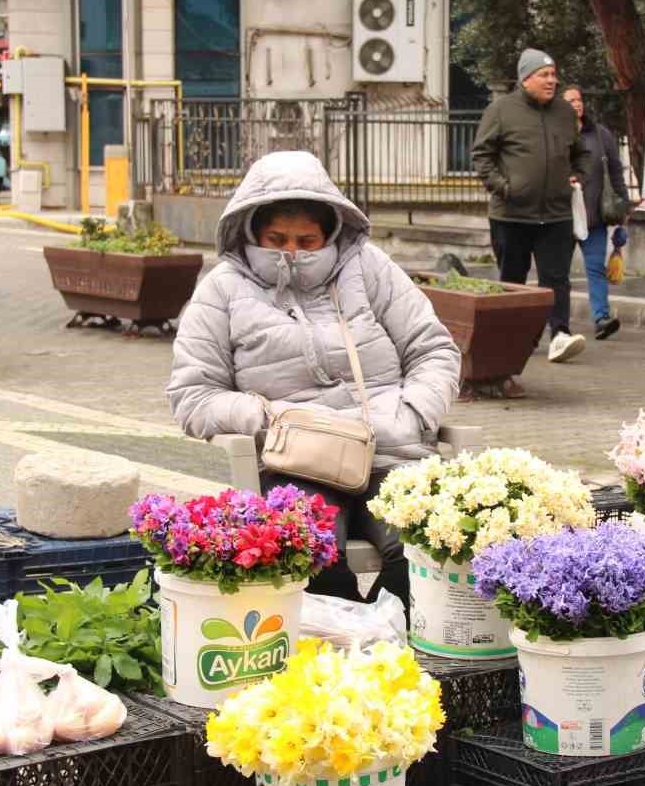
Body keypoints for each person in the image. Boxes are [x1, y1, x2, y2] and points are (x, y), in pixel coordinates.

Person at [167, 150, 462, 611]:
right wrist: (270, 418)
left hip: (391, 450)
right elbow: (193, 396)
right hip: (296, 461)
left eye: (307, 240)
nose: (292, 251)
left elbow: (433, 349)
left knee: (425, 546)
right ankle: (339, 657)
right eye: (276, 238)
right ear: (250, 231)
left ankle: (399, 654)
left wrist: (412, 413)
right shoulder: (222, 288)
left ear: (331, 233)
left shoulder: (368, 267)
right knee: (310, 550)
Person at [471, 48, 592, 384]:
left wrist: (577, 177)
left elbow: (583, 153)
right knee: (513, 279)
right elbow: (482, 155)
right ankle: (509, 340)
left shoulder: (566, 113)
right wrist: (504, 187)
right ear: (526, 78)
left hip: (556, 214)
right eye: (544, 74)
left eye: (554, 74)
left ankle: (560, 335)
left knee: (557, 279)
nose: (552, 80)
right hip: (511, 214)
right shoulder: (500, 110)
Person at [562, 86, 630, 340]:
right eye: (570, 100)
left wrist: (623, 205)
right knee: (558, 275)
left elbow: (615, 172)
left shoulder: (601, 136)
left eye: (579, 99)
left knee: (595, 269)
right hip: (562, 219)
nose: (577, 104)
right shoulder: (555, 134)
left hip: (594, 218)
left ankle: (601, 318)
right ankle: (557, 323)